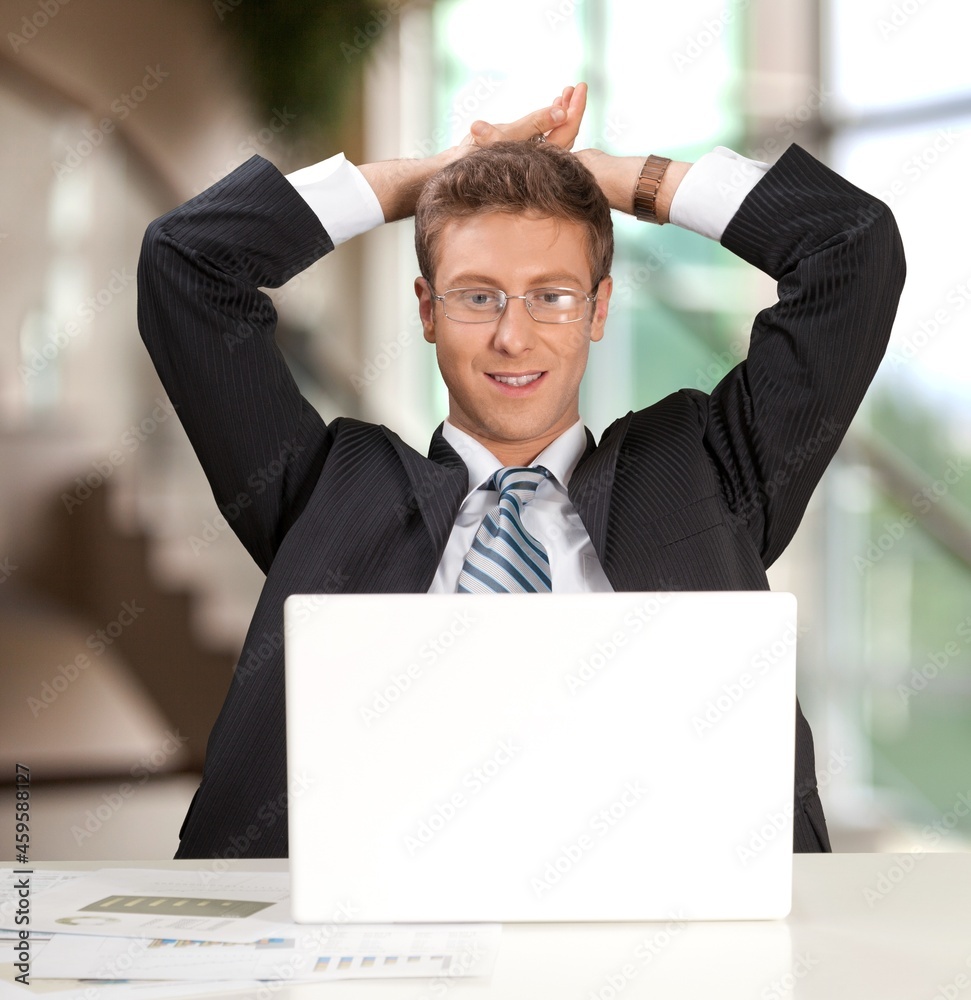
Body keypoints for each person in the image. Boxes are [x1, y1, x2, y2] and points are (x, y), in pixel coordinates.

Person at [137, 84, 905, 859]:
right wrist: (430, 177)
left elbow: (849, 246)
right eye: (477, 296)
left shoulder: (705, 469)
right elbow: (187, 262)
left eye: (552, 296)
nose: (513, 336)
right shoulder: (325, 488)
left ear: (599, 310)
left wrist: (616, 180)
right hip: (373, 942)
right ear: (427, 310)